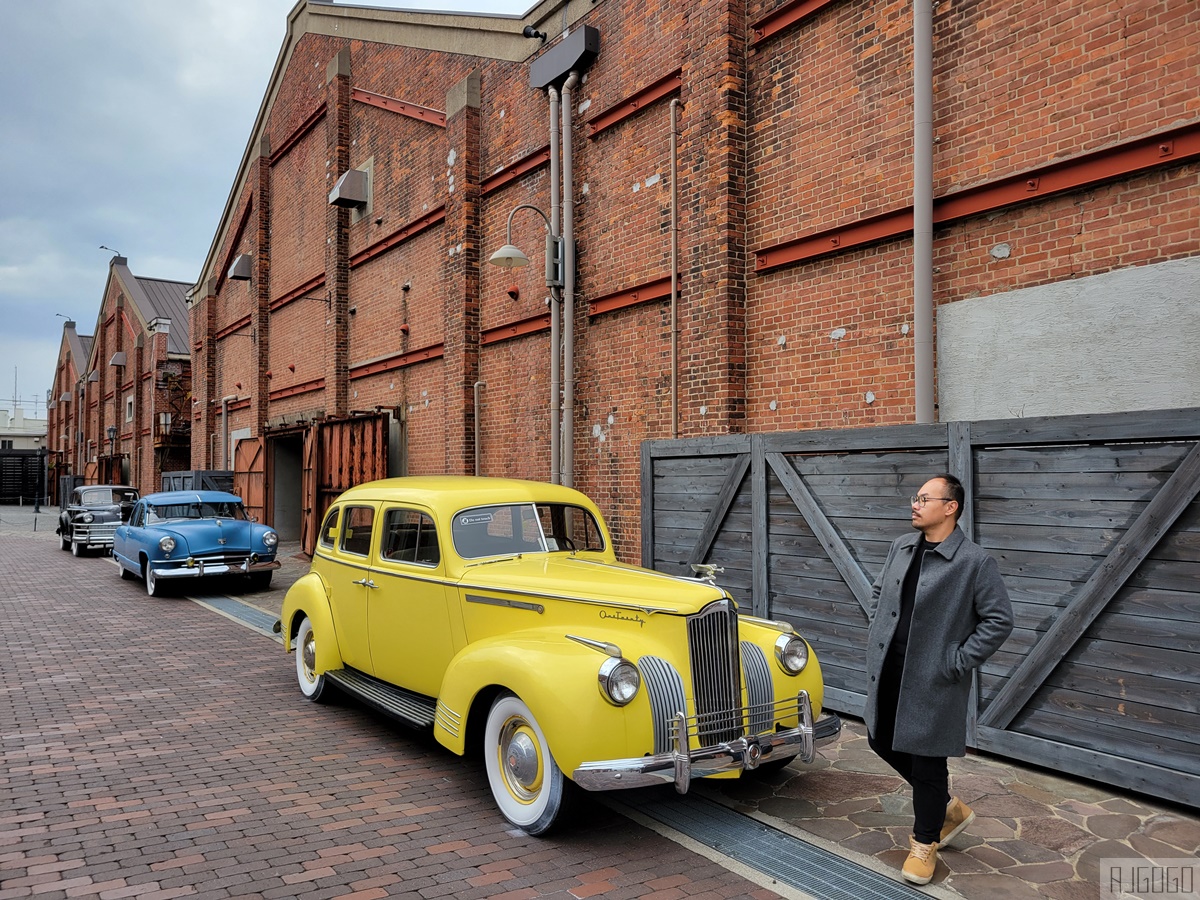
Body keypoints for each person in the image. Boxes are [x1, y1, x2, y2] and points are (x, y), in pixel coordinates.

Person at [864, 473, 1014, 885]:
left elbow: (999, 620)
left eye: (925, 498)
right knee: (880, 737)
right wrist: (878, 628)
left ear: (950, 507)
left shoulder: (974, 562)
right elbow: (880, 593)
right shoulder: (902, 546)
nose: (915, 504)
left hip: (934, 678)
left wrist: (956, 660)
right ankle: (947, 808)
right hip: (890, 666)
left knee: (928, 763)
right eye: (916, 497)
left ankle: (925, 842)